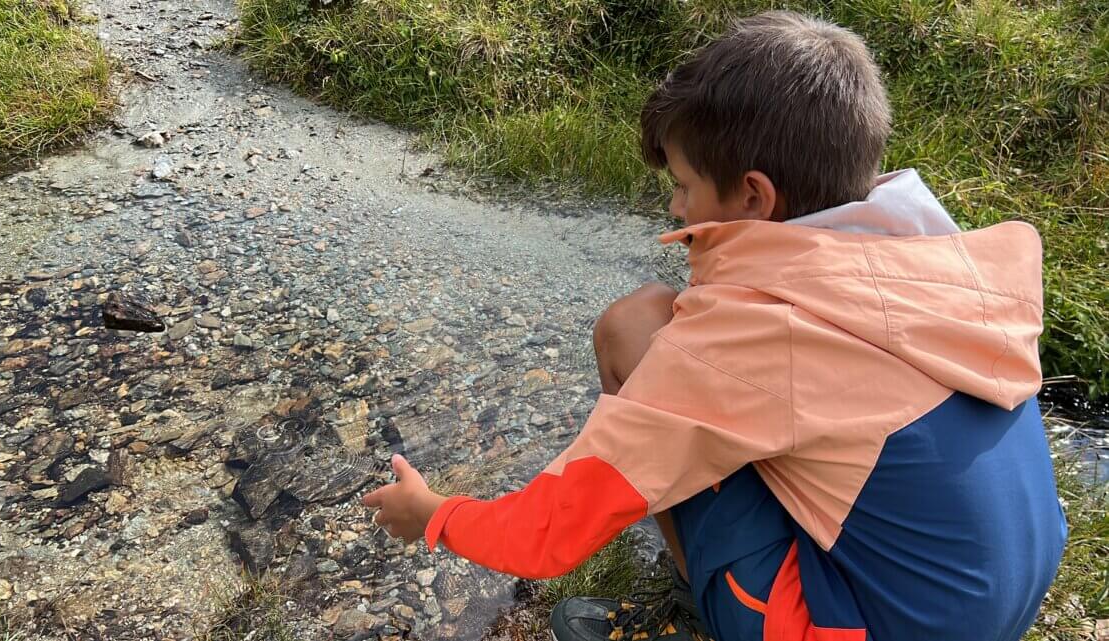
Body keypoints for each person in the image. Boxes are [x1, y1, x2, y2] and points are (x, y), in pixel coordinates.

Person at [364, 11, 1067, 641]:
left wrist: (433, 513)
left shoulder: (756, 337)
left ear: (755, 195)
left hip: (873, 624)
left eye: (683, 184)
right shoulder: (927, 253)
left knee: (634, 327)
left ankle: (705, 611)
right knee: (660, 333)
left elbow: (550, 533)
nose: (675, 208)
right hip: (993, 597)